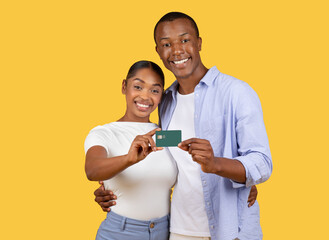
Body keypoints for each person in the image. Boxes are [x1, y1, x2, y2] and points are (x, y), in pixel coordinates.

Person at [95, 12, 272, 240]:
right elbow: (169, 160)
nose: (177, 50)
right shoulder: (165, 101)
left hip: (230, 230)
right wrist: (113, 188)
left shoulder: (236, 93)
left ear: (199, 43)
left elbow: (262, 162)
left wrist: (221, 166)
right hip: (179, 230)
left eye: (185, 40)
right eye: (166, 44)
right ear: (158, 51)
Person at [84, 60, 178, 240]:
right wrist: (129, 159)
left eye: (155, 90)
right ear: (124, 86)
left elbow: (195, 167)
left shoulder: (166, 135)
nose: (145, 96)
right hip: (120, 232)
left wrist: (245, 183)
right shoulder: (104, 132)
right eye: (138, 86)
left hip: (165, 231)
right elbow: (92, 169)